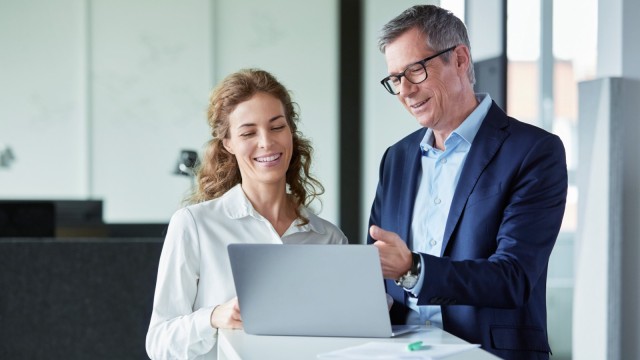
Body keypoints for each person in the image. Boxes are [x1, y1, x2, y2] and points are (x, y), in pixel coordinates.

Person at [367, 5, 567, 360]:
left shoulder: (534, 152)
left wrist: (414, 268)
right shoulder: (396, 159)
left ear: (459, 59)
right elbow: (378, 267)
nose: (405, 91)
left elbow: (513, 277)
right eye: (395, 79)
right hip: (401, 351)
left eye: (416, 71)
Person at [146, 68, 348, 359]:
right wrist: (214, 317)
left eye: (277, 127)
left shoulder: (327, 238)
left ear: (291, 131)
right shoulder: (194, 225)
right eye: (249, 132)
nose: (266, 142)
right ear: (228, 143)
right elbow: (159, 343)